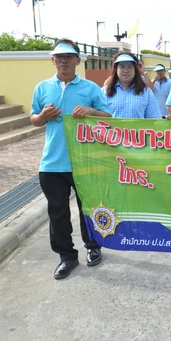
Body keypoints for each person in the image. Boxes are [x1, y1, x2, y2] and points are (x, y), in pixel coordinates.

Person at [29, 39, 112, 280]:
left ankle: (93, 247)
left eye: (68, 57)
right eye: (59, 57)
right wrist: (43, 116)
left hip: (85, 161)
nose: (63, 61)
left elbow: (108, 116)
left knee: (88, 208)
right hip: (52, 163)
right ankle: (67, 256)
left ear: (78, 60)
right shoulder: (42, 88)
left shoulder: (90, 88)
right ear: (53, 60)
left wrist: (91, 112)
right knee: (57, 212)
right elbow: (33, 118)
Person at [102, 53, 162, 119]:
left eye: (130, 67)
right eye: (122, 67)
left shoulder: (146, 92)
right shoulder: (104, 92)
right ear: (116, 69)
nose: (126, 71)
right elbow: (97, 119)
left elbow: (155, 119)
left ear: (135, 70)